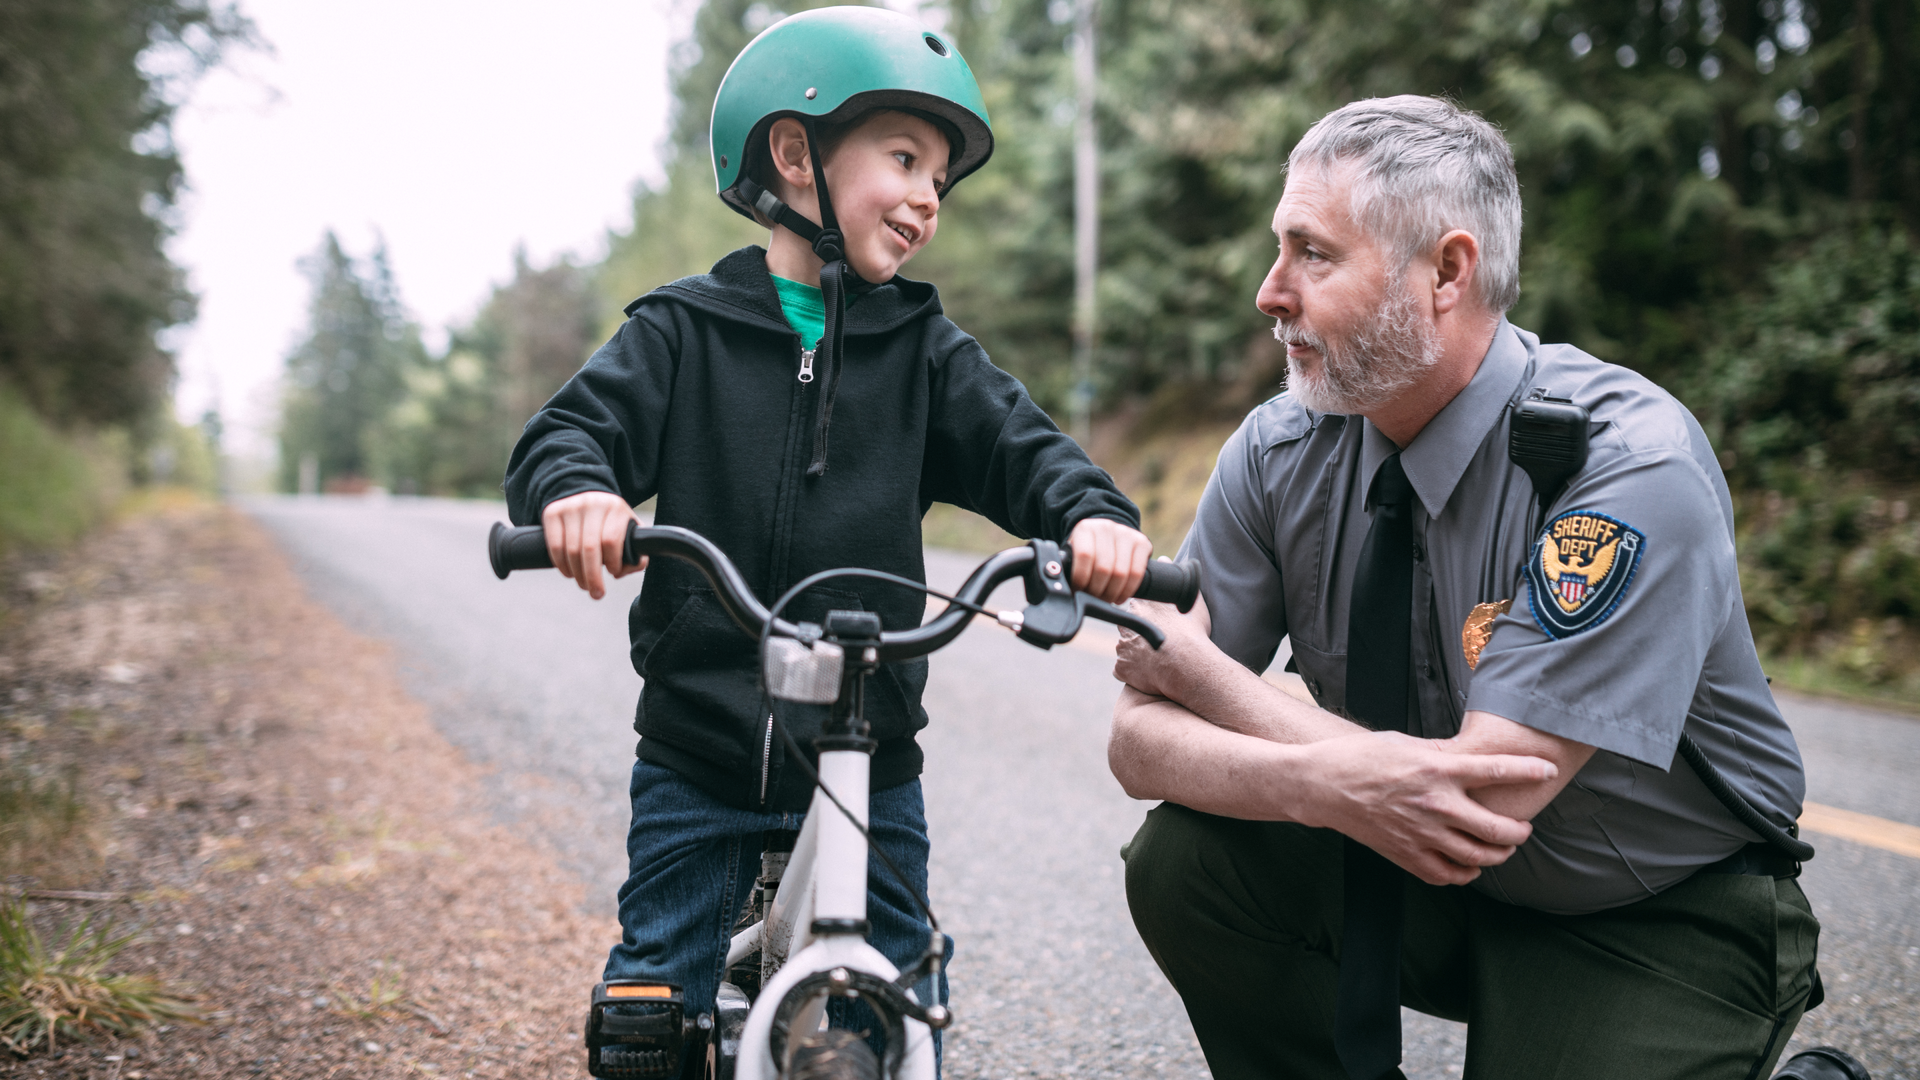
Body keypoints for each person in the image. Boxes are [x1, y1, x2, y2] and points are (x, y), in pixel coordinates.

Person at [1109, 95, 1821, 1080]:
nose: (1271, 292)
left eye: (1314, 254)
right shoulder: (1280, 452)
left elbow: (1480, 798)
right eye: (1280, 249)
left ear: (1446, 271)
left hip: (1658, 911)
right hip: (1427, 884)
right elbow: (1139, 744)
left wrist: (1209, 680)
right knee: (1190, 864)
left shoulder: (1622, 466)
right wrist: (1327, 784)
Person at [502, 8, 1152, 1076]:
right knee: (649, 1014)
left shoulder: (925, 353)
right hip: (700, 743)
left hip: (869, 751)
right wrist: (579, 495)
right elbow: (567, 436)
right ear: (796, 155)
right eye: (904, 158)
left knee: (899, 1014)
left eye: (940, 176)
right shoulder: (684, 333)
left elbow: (1023, 449)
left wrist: (1088, 518)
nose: (929, 198)